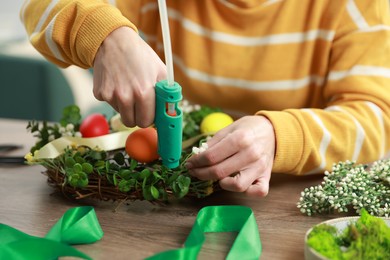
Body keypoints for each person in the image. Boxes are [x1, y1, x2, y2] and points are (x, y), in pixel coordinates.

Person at [20, 0, 390, 197]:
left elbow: (375, 117)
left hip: (285, 204)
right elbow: (38, 6)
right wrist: (106, 35)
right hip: (170, 205)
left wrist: (282, 136)